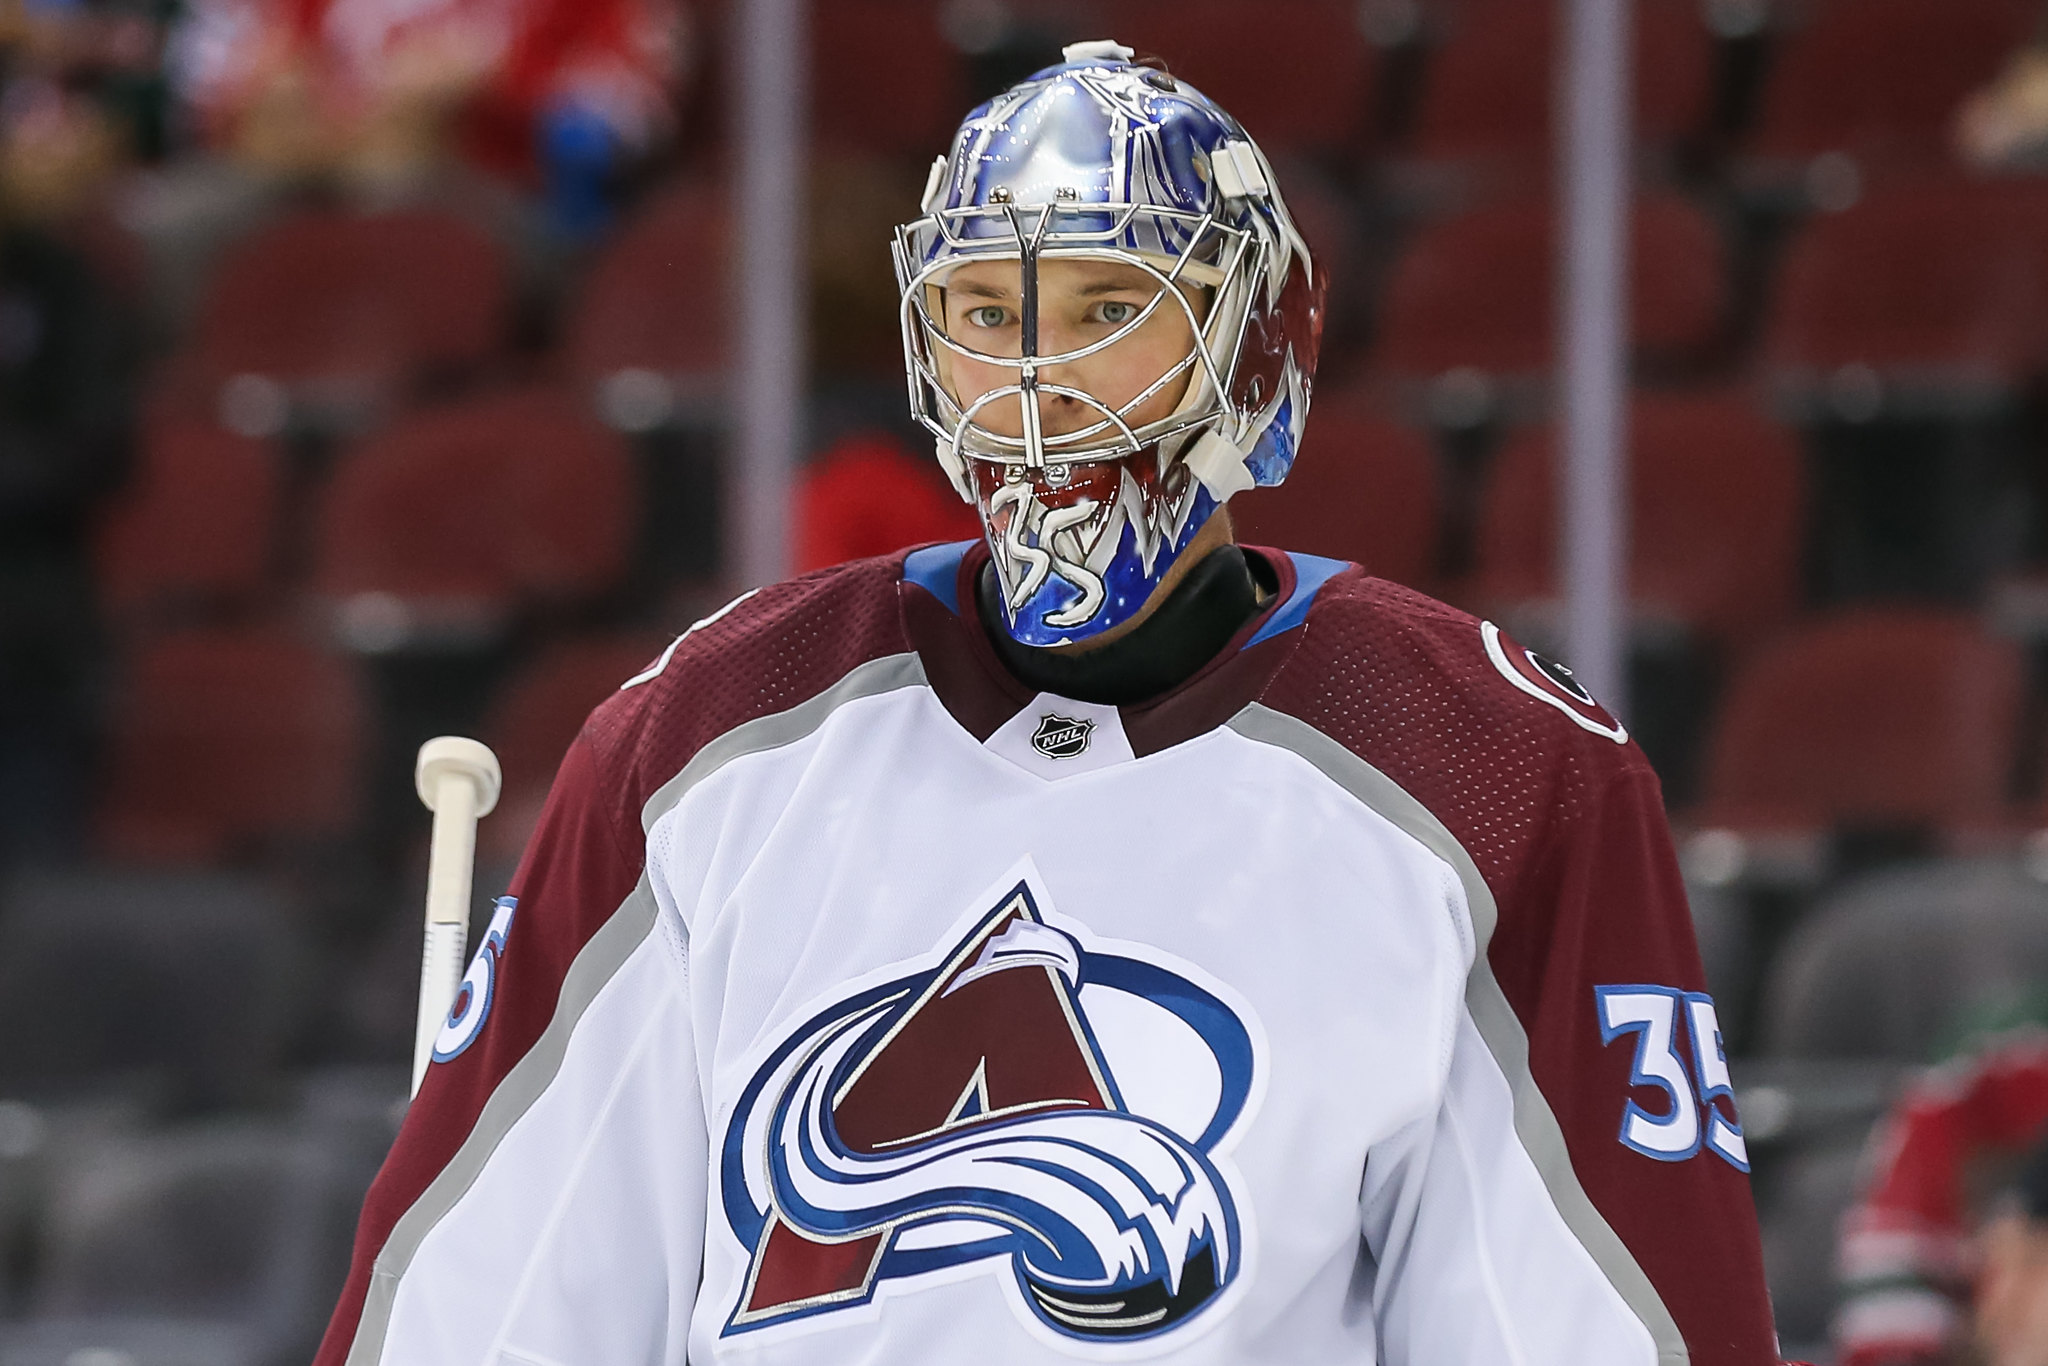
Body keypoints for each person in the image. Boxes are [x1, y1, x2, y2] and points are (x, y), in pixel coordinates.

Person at [316, 41, 1784, 1364]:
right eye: (981, 311)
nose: (1033, 379)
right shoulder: (706, 734)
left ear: (1257, 342)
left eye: (1106, 307)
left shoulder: (1495, 767)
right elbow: (482, 1315)